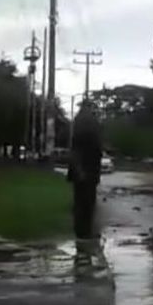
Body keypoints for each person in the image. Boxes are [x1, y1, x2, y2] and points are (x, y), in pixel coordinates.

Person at [67, 101, 103, 239]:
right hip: (85, 171)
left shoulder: (83, 125)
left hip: (87, 171)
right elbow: (76, 152)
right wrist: (80, 170)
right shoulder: (83, 128)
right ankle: (83, 232)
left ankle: (84, 231)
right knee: (85, 203)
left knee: (85, 202)